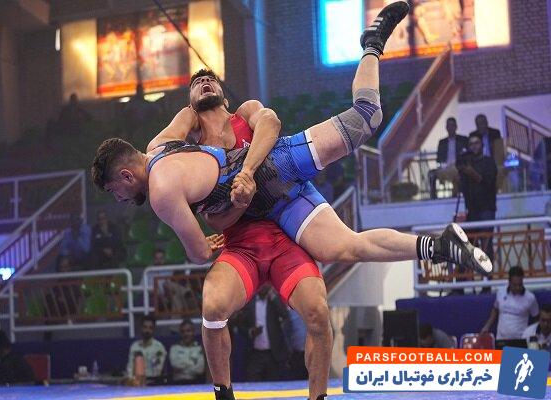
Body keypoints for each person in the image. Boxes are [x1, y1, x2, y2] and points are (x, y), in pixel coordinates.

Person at [92, 3, 487, 399]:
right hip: (249, 228)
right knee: (326, 255)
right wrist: (233, 201)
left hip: (278, 174)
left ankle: (372, 45)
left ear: (224, 95)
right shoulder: (185, 139)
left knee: (365, 123)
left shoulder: (244, 112)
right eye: (197, 83)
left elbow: (271, 123)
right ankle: (439, 245)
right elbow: (211, 215)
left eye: (210, 79)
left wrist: (247, 172)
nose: (205, 82)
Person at [238, 285, 291, 382]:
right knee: (253, 385)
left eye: (266, 284)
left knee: (274, 386)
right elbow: (240, 325)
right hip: (254, 355)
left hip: (273, 355)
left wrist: (273, 296)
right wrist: (250, 332)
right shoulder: (249, 302)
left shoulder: (274, 302)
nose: (263, 286)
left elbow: (285, 315)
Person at [458, 132, 498, 261]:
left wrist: (472, 173)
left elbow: (489, 183)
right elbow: (463, 186)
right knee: (471, 245)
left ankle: (489, 272)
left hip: (486, 208)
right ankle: (474, 271)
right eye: (471, 144)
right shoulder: (468, 164)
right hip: (472, 209)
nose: (474, 146)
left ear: (482, 144)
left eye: (476, 143)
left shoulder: (489, 162)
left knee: (486, 244)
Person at [481, 266, 539, 340]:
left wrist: (532, 334)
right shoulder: (501, 293)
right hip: (501, 338)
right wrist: (487, 326)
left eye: (520, 284)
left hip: (521, 339)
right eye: (514, 285)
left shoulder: (530, 298)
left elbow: (536, 318)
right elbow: (495, 309)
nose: (518, 288)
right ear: (509, 282)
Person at [429, 117, 468, 198]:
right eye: (449, 126)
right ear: (446, 128)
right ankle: (433, 198)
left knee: (458, 172)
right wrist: (442, 164)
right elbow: (439, 158)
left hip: (458, 166)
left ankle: (456, 195)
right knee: (431, 174)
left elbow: (467, 155)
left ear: (456, 127)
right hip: (445, 167)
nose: (451, 128)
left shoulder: (463, 140)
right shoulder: (442, 142)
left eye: (452, 125)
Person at [126, 315, 167, 385]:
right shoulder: (134, 346)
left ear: (154, 330)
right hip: (136, 383)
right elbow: (130, 367)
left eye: (150, 328)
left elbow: (157, 370)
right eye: (145, 327)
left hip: (153, 383)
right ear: (141, 328)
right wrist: (131, 380)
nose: (147, 331)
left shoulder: (159, 347)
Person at [468, 114, 505, 190]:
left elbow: (499, 150)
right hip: (479, 163)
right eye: (478, 124)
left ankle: (496, 190)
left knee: (500, 170)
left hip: (493, 162)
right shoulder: (473, 135)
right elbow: (472, 152)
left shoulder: (495, 133)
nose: (481, 126)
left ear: (487, 123)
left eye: (482, 123)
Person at [168, 319, 205, 384]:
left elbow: (200, 369)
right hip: (178, 383)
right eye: (183, 331)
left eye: (188, 331)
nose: (186, 334)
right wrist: (192, 365)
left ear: (193, 332)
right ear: (180, 333)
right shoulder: (174, 348)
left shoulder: (199, 348)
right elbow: (175, 366)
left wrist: (183, 367)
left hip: (196, 383)